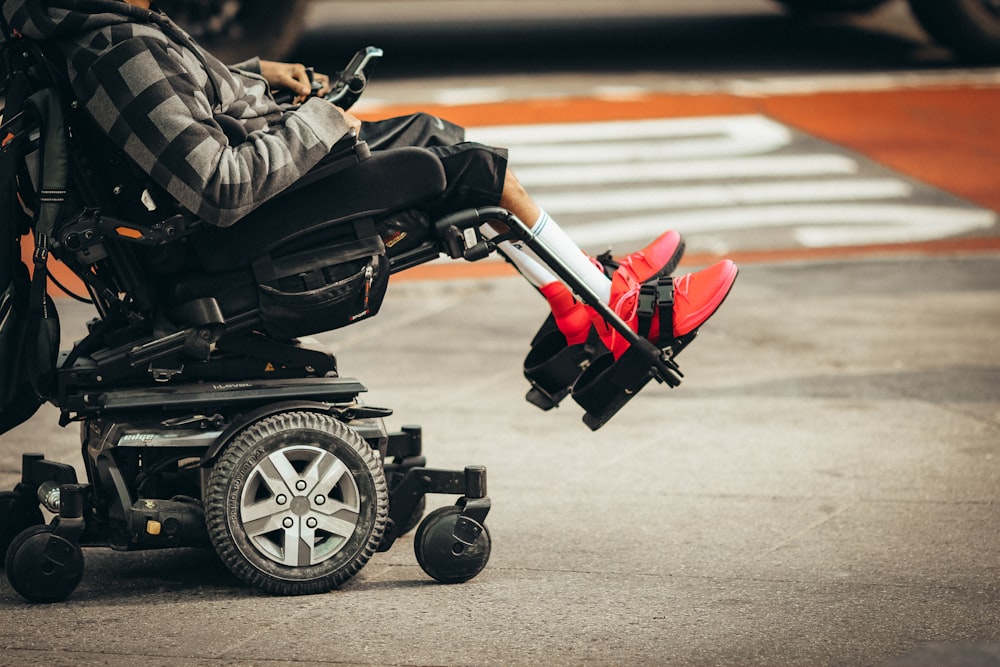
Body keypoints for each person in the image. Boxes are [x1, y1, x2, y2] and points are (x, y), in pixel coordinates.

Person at [3, 0, 737, 362]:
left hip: (227, 215)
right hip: (228, 239)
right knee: (459, 164)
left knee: (436, 138)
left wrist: (253, 77)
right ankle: (615, 312)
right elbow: (218, 184)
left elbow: (179, 107)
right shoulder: (115, 46)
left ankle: (583, 296)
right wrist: (319, 120)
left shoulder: (101, 26)